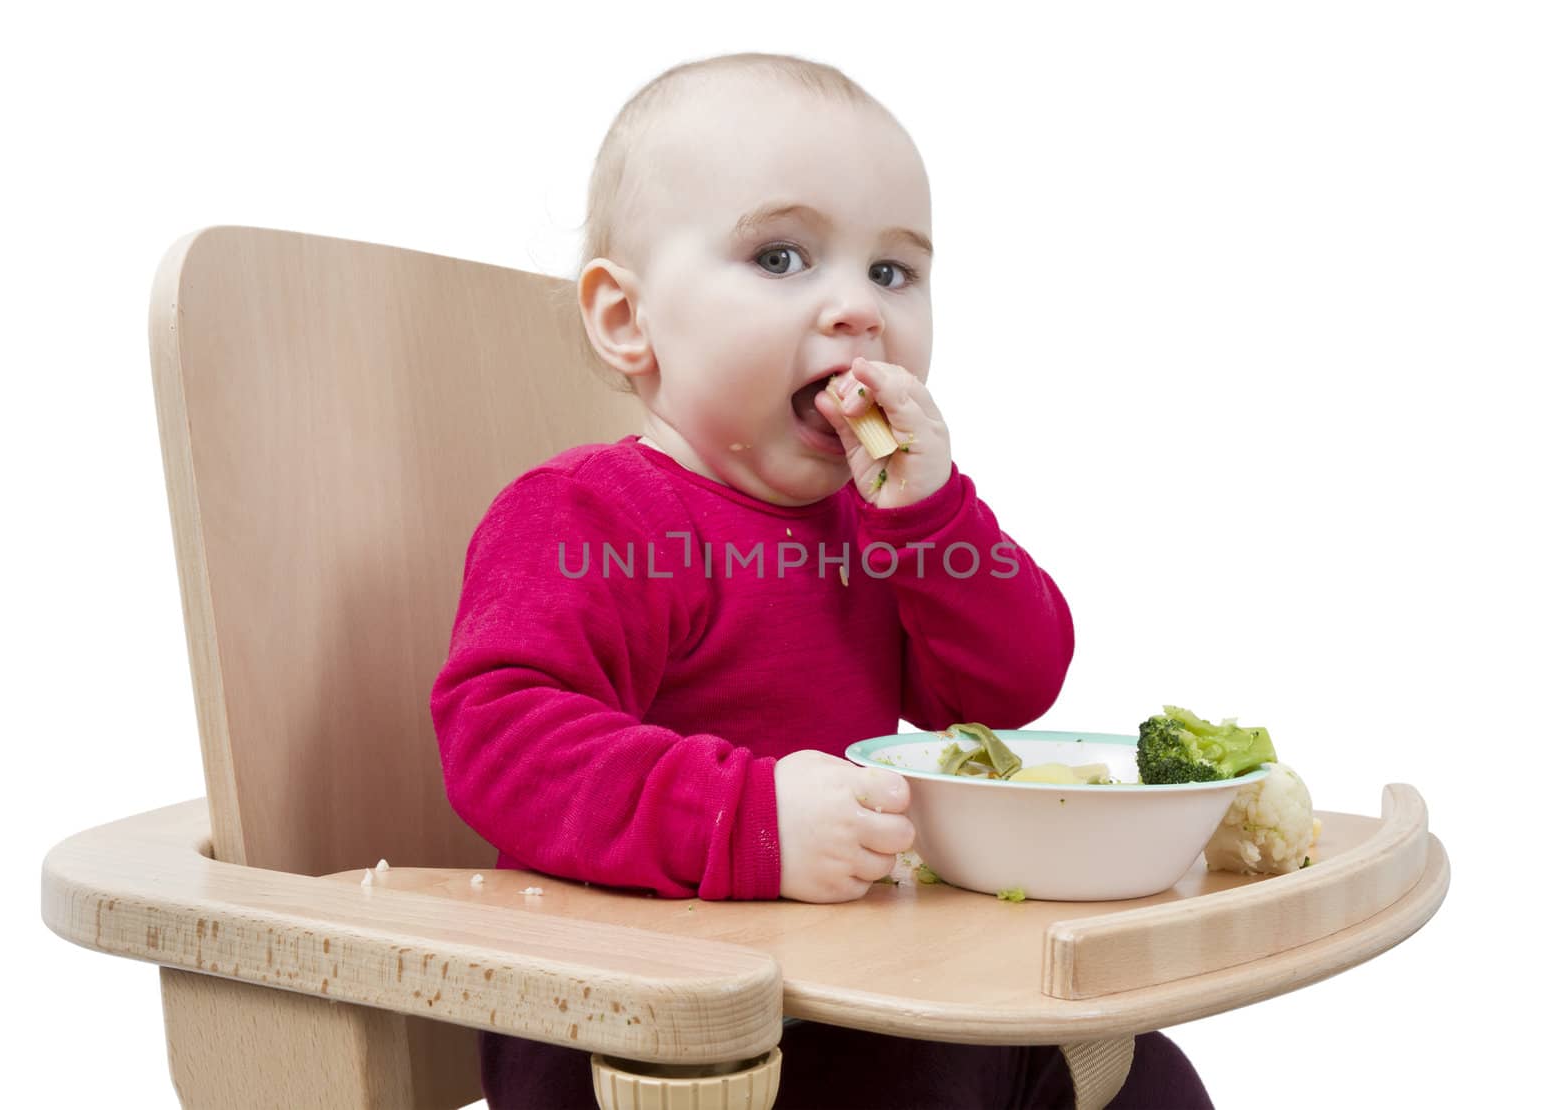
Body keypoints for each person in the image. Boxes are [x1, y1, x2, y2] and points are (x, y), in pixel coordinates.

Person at [430, 51, 1213, 1109]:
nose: (857, 309)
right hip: (666, 1039)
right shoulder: (590, 517)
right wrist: (748, 820)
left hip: (865, 995)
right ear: (627, 320)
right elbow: (503, 738)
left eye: (892, 273)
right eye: (782, 255)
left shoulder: (873, 523)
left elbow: (1008, 691)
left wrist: (932, 517)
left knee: (1142, 1075)